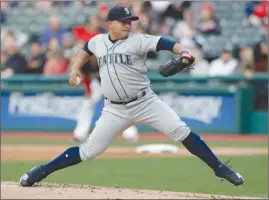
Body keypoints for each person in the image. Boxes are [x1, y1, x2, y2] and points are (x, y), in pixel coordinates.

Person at [19, 6, 244, 187]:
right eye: (124, 21)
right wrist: (75, 68)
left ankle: (219, 169)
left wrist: (183, 51)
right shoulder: (98, 41)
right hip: (114, 109)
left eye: (130, 21)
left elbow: (165, 42)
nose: (128, 24)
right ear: (110, 24)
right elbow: (85, 49)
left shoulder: (137, 40)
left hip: (145, 102)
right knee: (88, 151)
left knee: (181, 131)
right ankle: (41, 171)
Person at [73, 57, 139, 143]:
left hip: (113, 83)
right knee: (87, 104)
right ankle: (79, 134)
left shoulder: (107, 60)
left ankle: (131, 134)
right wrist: (89, 91)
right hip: (97, 84)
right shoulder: (85, 63)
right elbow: (86, 77)